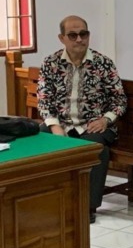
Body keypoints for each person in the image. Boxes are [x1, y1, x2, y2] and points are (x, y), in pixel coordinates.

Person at [37, 15, 127, 224]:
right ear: (62, 38)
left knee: (93, 149)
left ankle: (87, 206)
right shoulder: (50, 63)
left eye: (83, 34)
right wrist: (55, 127)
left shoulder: (103, 63)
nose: (79, 39)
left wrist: (106, 119)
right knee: (38, 138)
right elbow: (44, 100)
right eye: (73, 35)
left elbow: (120, 99)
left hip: (94, 126)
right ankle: (46, 197)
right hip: (62, 124)